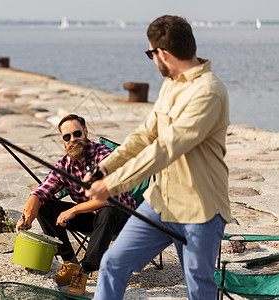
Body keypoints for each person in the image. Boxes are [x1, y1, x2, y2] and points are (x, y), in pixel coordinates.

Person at [85, 15, 231, 300]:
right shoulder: (171, 83)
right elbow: (145, 135)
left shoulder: (209, 92)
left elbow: (166, 148)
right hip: (160, 203)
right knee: (113, 263)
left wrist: (112, 186)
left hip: (200, 211)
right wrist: (104, 168)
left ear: (162, 53)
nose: (153, 60)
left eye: (151, 54)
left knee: (199, 288)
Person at [16, 113, 135, 296]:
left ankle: (84, 272)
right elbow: (39, 193)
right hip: (92, 217)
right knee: (45, 206)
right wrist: (26, 217)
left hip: (121, 216)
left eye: (77, 134)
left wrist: (73, 209)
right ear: (63, 141)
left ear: (85, 132)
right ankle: (70, 263)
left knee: (106, 212)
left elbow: (108, 197)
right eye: (67, 137)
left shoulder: (103, 155)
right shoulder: (64, 165)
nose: (73, 140)